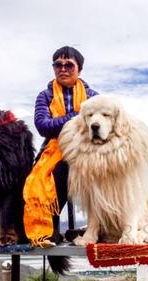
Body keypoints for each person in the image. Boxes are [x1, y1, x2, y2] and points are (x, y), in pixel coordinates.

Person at [23, 46, 98, 247]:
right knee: (51, 177)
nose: (63, 69)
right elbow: (43, 126)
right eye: (58, 64)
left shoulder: (93, 97)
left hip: (87, 150)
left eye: (69, 65)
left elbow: (111, 121)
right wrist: (78, 116)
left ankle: (99, 227)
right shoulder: (45, 96)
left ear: (79, 69)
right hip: (54, 152)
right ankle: (49, 231)